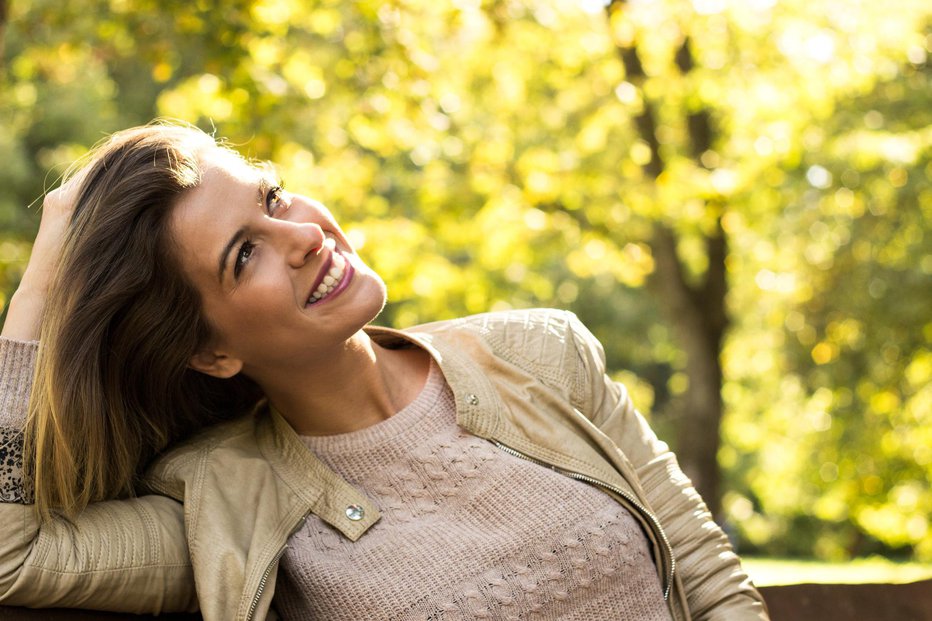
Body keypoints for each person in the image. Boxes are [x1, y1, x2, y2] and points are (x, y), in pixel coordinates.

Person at [0, 122, 768, 620]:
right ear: (212, 353)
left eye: (271, 197)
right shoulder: (223, 502)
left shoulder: (543, 353)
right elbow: (12, 557)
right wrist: (45, 269)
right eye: (245, 253)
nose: (300, 233)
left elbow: (709, 578)